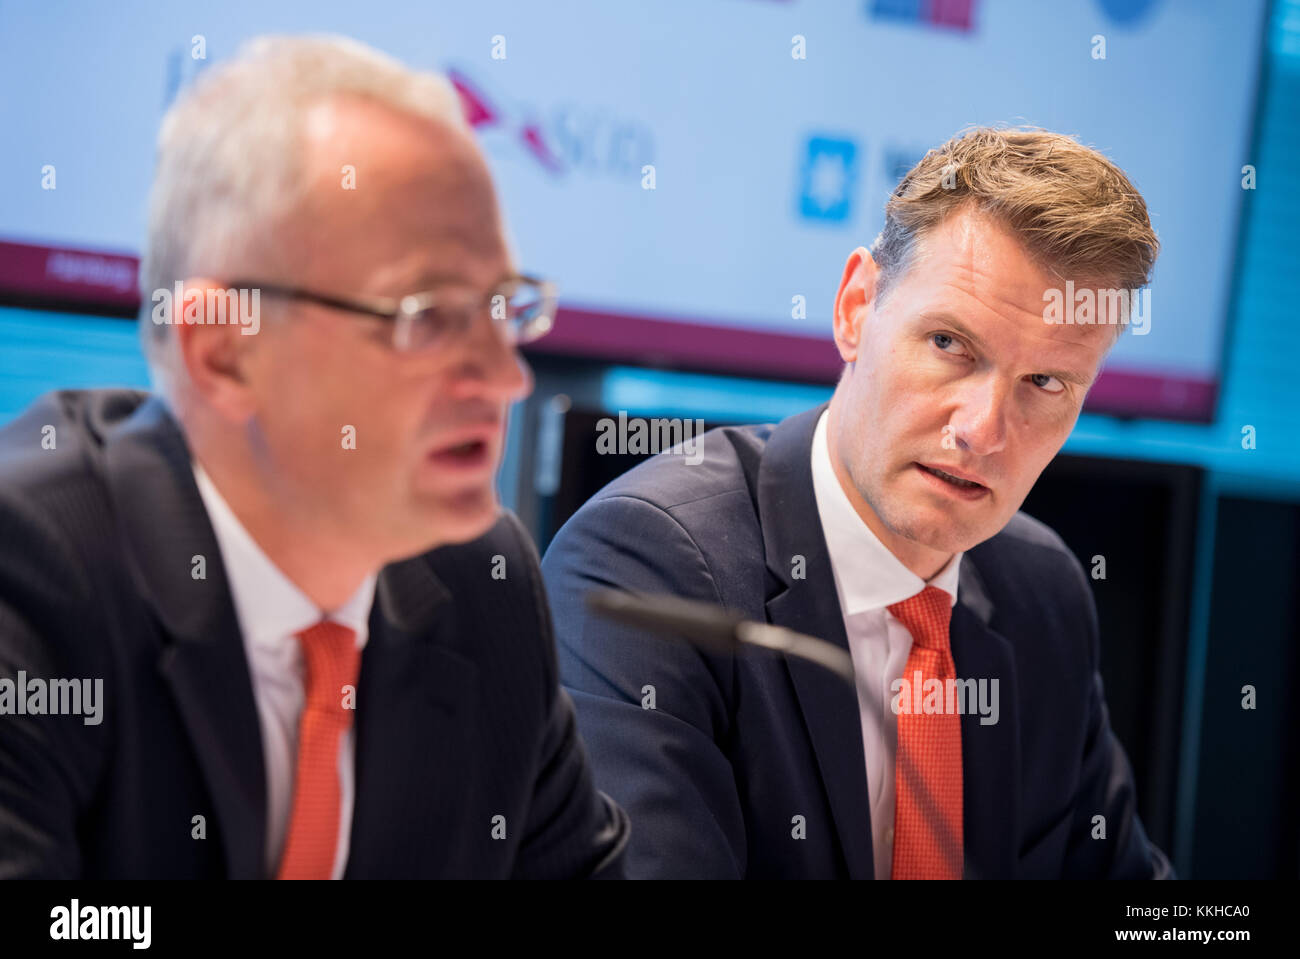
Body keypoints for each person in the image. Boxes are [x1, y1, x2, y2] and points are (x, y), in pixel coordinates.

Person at [0, 35, 627, 879]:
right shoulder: (30, 571)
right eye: (428, 314)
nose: (505, 376)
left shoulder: (486, 586)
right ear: (224, 350)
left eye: (501, 308)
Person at [543, 126, 1173, 879]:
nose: (982, 431)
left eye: (1046, 384)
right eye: (949, 344)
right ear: (854, 307)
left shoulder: (1042, 592)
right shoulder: (647, 561)